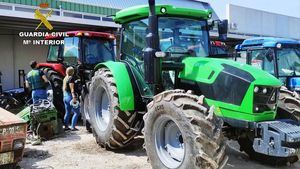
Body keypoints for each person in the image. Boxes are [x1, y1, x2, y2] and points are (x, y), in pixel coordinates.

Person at [63, 67, 80, 131]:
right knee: (77, 112)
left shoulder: (65, 78)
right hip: (70, 97)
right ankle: (73, 127)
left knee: (67, 112)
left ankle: (66, 127)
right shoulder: (71, 78)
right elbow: (72, 89)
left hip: (65, 97)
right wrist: (74, 97)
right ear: (72, 72)